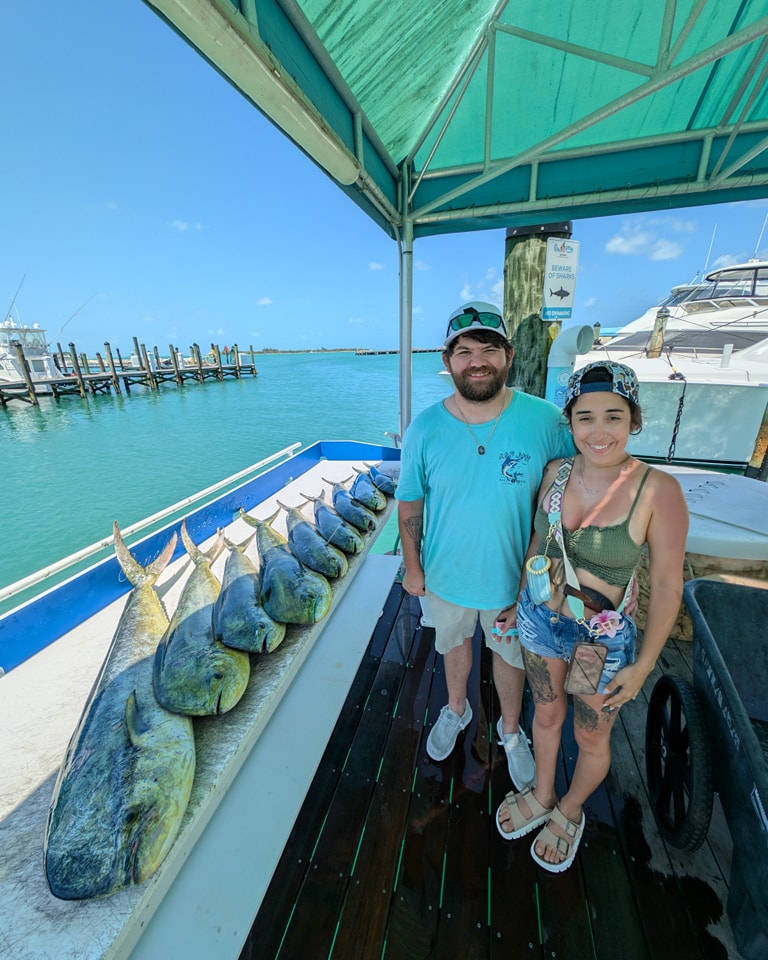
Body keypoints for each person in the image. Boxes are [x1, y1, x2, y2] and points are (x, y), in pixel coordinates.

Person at [495, 360, 689, 873]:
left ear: (634, 420)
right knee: (547, 713)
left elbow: (669, 585)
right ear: (571, 421)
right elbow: (540, 541)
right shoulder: (556, 472)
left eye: (613, 417)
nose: (598, 431)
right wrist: (520, 601)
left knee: (590, 734)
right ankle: (541, 793)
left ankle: (570, 808)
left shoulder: (657, 490)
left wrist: (644, 664)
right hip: (541, 622)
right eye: (585, 417)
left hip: (596, 643)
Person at [396, 301, 574, 790]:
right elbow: (409, 503)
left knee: (511, 657)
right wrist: (413, 568)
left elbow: (575, 490)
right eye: (465, 351)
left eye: (489, 349)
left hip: (514, 582)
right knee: (452, 646)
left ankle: (511, 730)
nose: (477, 360)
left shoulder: (547, 421)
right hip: (446, 575)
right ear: (448, 360)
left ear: (509, 356)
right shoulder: (425, 427)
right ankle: (456, 709)